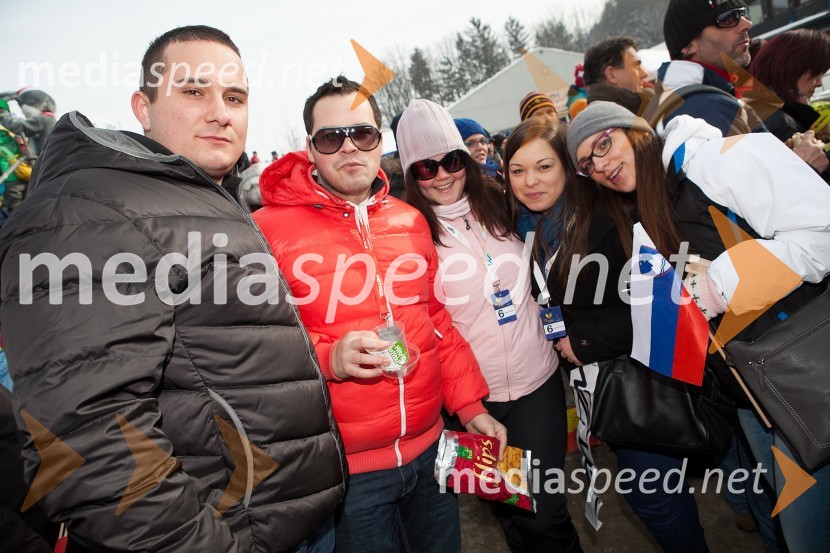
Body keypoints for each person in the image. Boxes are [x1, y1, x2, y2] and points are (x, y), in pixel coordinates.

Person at [0, 25, 346, 552]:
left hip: (283, 521)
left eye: (235, 97)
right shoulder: (87, 211)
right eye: (193, 91)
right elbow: (91, 441)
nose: (220, 112)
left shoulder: (197, 196)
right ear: (143, 107)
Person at [252, 76, 506, 553]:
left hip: (432, 452)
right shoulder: (266, 231)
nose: (349, 147)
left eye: (362, 133)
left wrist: (470, 408)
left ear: (379, 141)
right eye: (331, 137)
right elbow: (252, 349)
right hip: (348, 473)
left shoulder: (409, 220)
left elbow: (438, 324)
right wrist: (328, 358)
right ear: (310, 148)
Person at [569, 100, 830, 553]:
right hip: (750, 394)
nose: (602, 165)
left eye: (605, 143)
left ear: (634, 129)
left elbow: (822, 230)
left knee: (806, 535)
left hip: (806, 374)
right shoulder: (650, 203)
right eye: (588, 164)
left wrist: (718, 286)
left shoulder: (719, 159)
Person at [397, 99, 581, 553]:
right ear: (409, 173)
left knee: (542, 510)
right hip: (467, 400)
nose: (442, 174)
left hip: (536, 383)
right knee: (507, 509)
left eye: (451, 160)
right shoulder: (407, 233)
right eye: (425, 167)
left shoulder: (505, 203)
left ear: (465, 158)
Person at [749, 29, 830, 180]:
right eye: (815, 73)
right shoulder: (780, 122)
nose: (819, 83)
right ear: (791, 68)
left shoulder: (772, 111)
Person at [582, 36, 651, 114]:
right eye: (636, 65)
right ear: (612, 75)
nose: (645, 73)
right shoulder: (615, 121)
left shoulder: (596, 118)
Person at [0, 89, 57, 157]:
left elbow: (16, 125)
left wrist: (2, 111)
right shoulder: (52, 121)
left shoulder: (43, 120)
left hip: (42, 163)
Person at [455, 117, 502, 182]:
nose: (480, 147)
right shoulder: (458, 185)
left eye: (483, 141)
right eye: (471, 143)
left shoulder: (495, 173)